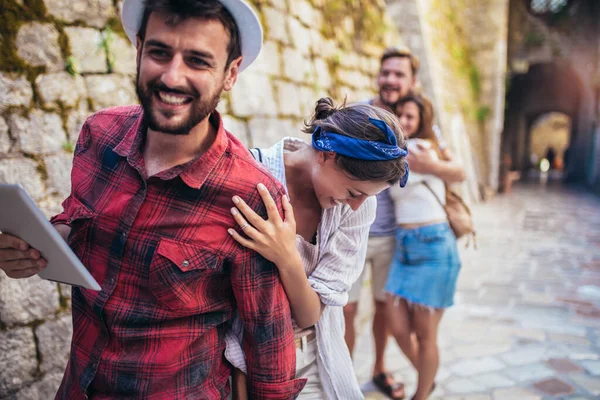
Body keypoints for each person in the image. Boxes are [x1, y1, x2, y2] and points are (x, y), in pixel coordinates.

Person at [0, 1, 306, 398]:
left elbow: (268, 339)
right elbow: (76, 219)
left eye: (197, 60)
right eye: (160, 52)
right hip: (78, 386)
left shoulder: (249, 194)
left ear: (230, 74)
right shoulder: (100, 133)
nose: (172, 77)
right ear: (140, 48)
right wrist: (32, 249)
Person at [225, 98, 410, 399]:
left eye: (367, 197)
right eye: (353, 192)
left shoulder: (358, 209)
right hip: (241, 365)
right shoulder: (253, 173)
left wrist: (287, 257)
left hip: (311, 364)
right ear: (328, 155)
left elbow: (311, 314)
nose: (356, 205)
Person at [344, 47, 464, 400]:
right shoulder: (361, 114)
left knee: (385, 310)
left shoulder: (422, 125)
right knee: (345, 310)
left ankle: (379, 368)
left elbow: (457, 171)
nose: (390, 80)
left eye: (399, 75)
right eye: (386, 73)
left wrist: (430, 166)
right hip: (351, 234)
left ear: (413, 82)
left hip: (394, 237)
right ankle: (343, 380)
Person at [385, 93, 464, 400]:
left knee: (425, 333)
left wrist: (435, 159)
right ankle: (426, 378)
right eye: (400, 115)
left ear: (420, 124)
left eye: (410, 117)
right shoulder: (395, 149)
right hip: (404, 248)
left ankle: (421, 395)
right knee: (397, 326)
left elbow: (458, 171)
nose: (404, 121)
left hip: (433, 247)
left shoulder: (421, 149)